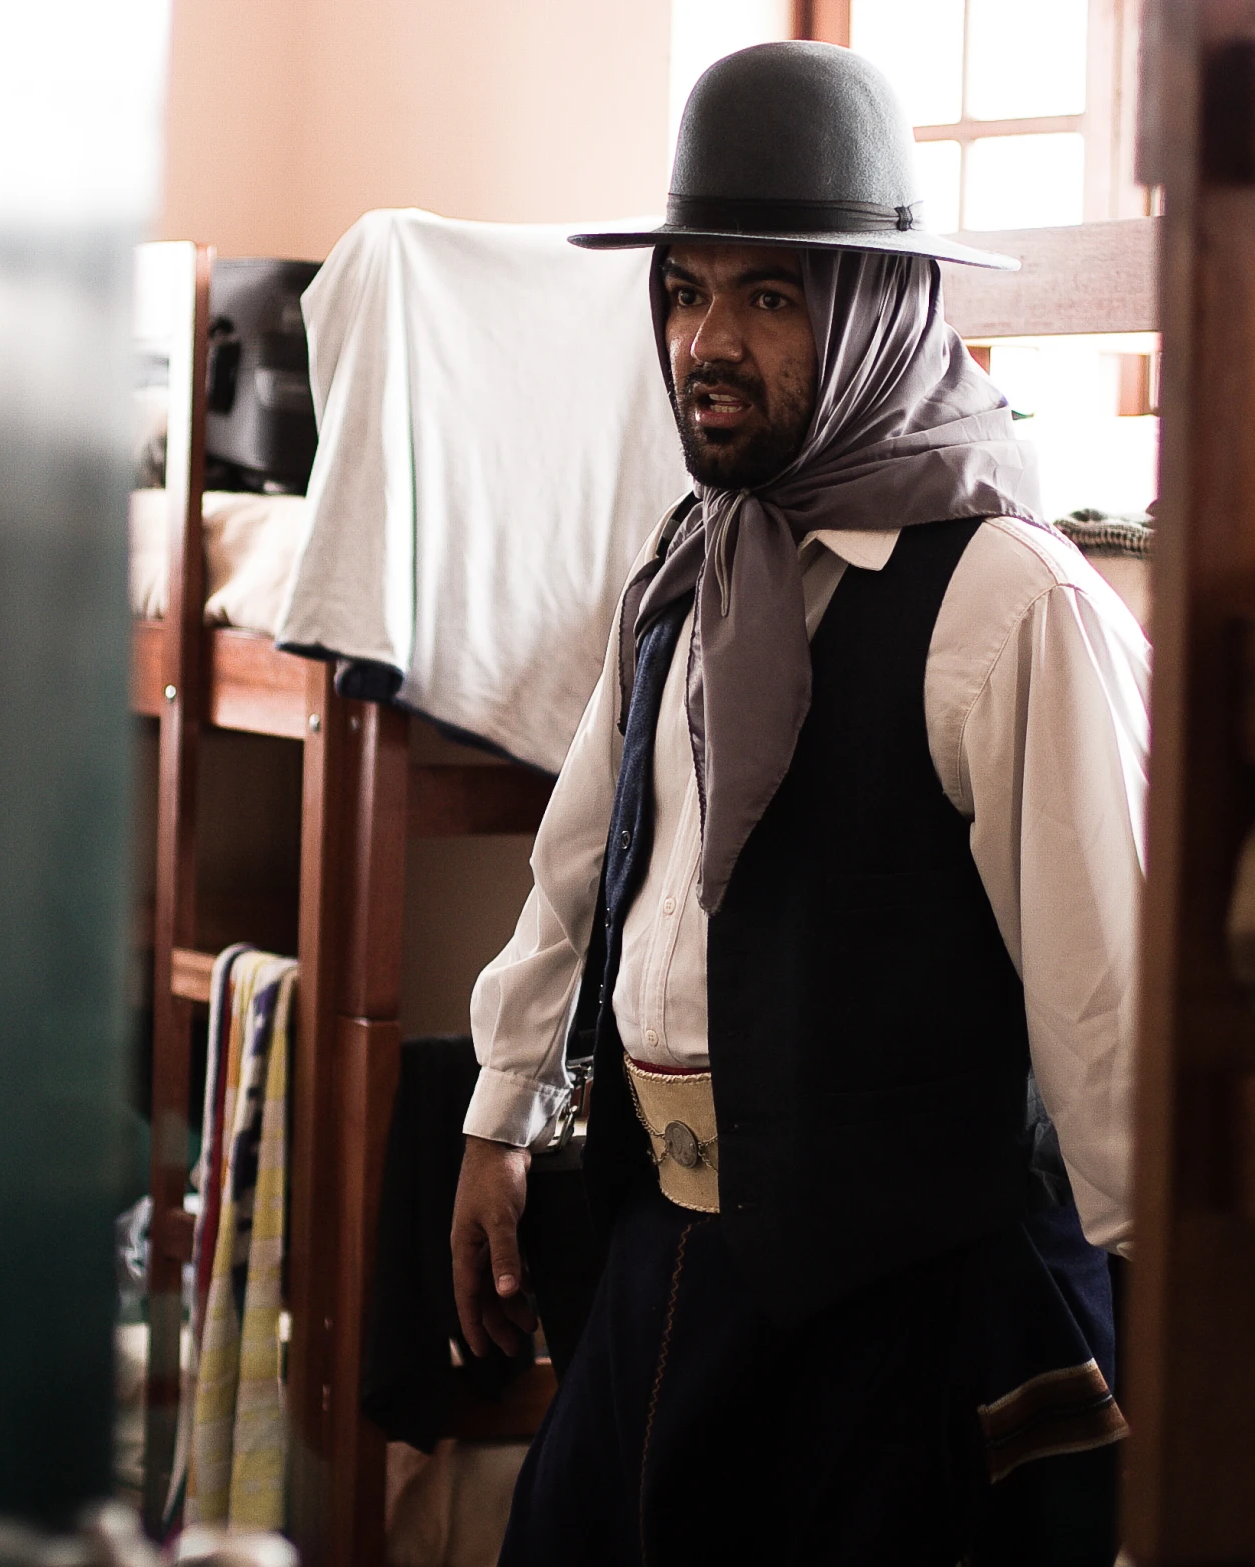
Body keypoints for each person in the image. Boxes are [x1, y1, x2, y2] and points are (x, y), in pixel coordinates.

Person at [449, 40, 1150, 1567]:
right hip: (663, 1251)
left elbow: (1107, 999)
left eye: (768, 296)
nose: (707, 340)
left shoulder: (1002, 600)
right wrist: (499, 1116)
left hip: (895, 1298)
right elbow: (586, 862)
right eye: (686, 291)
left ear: (877, 313)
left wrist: (1161, 1322)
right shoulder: (690, 565)